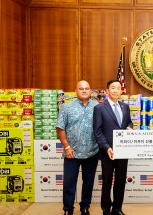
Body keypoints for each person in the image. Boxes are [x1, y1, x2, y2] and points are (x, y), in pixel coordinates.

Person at [56, 80, 99, 215]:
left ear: (91, 90)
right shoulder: (67, 107)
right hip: (72, 152)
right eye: (81, 88)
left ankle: (85, 206)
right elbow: (60, 128)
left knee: (88, 181)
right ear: (76, 91)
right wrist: (67, 146)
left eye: (87, 88)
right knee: (69, 182)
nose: (84, 90)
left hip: (92, 151)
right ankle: (68, 209)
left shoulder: (97, 107)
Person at [93, 79, 133, 215]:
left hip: (123, 150)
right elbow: (97, 131)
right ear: (107, 90)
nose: (116, 90)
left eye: (118, 88)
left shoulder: (125, 107)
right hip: (107, 151)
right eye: (113, 88)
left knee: (121, 181)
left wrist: (129, 127)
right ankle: (106, 209)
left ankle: (117, 209)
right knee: (107, 182)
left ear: (121, 91)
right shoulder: (99, 108)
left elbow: (129, 122)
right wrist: (106, 147)